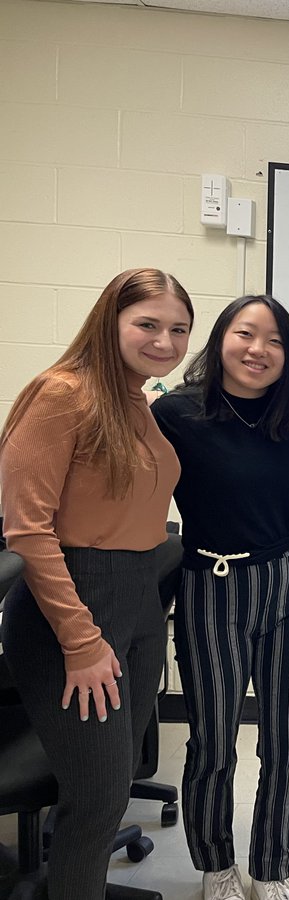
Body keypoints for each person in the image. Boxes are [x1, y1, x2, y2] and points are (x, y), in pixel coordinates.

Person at [0, 268, 193, 899]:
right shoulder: (62, 393)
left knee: (108, 790)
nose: (164, 340)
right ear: (109, 320)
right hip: (75, 607)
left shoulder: (135, 399)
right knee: (99, 795)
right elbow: (27, 532)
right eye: (147, 324)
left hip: (135, 600)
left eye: (178, 329)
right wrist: (81, 642)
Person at [151, 295, 289, 900]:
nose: (259, 350)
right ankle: (216, 867)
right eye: (246, 334)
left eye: (275, 341)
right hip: (210, 589)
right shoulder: (174, 414)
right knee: (213, 742)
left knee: (286, 743)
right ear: (220, 338)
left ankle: (271, 870)